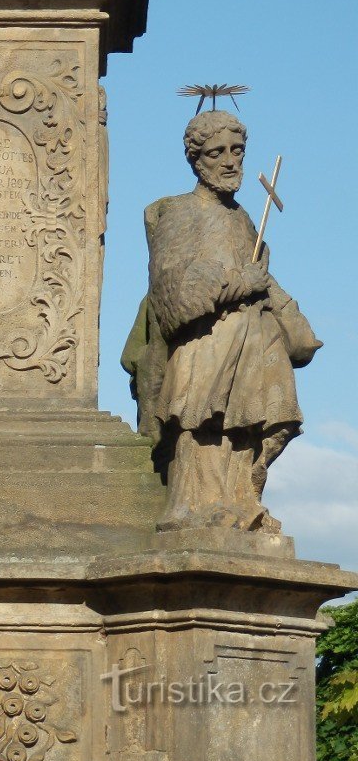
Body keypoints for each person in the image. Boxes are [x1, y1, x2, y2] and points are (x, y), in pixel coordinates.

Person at [122, 110, 320, 532]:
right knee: (204, 425)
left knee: (245, 428)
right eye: (217, 153)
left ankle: (242, 504)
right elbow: (170, 291)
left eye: (238, 151)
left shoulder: (244, 218)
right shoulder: (178, 212)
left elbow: (261, 278)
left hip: (251, 345)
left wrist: (285, 310)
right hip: (205, 346)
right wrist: (235, 281)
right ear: (196, 160)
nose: (230, 161)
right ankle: (196, 509)